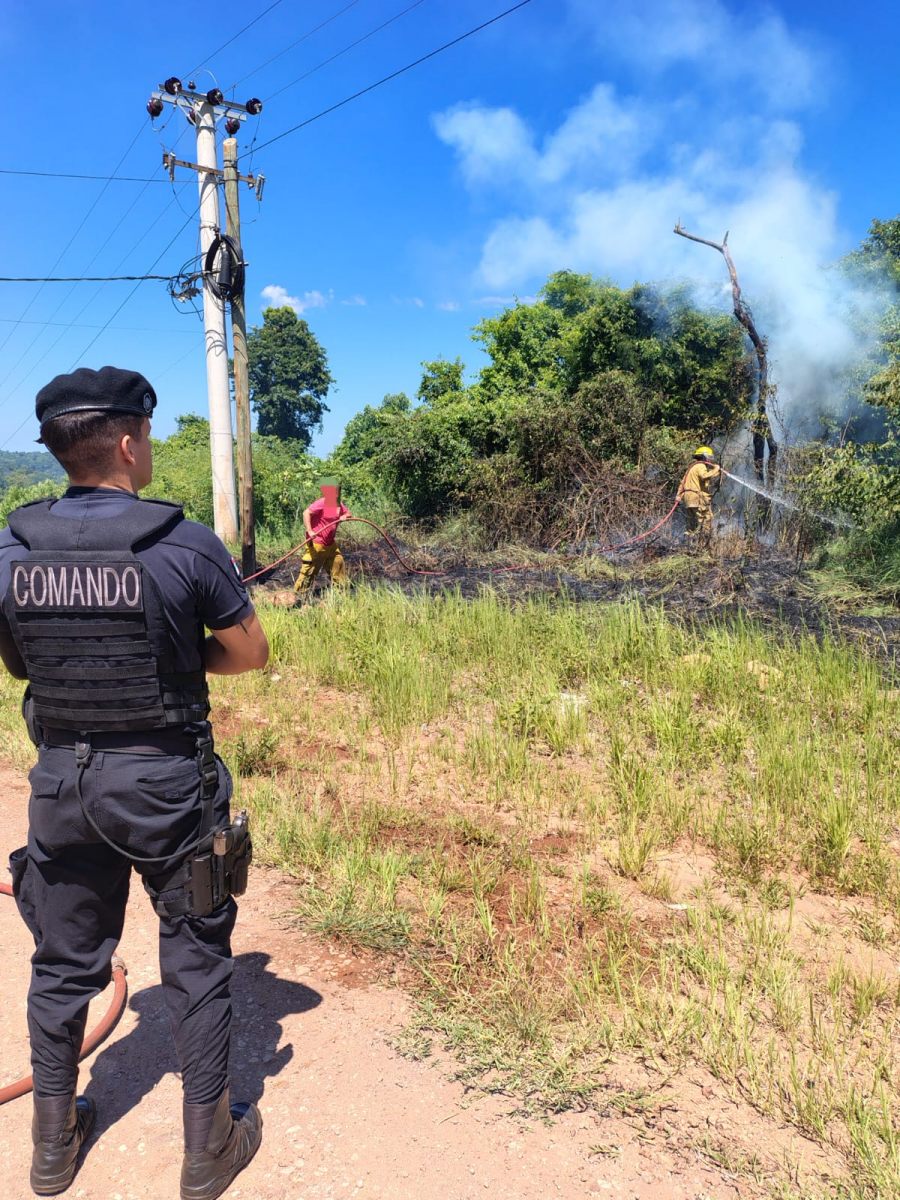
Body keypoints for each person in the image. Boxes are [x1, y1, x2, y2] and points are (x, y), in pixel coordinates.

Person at [0, 366, 269, 1199]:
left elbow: (19, 663)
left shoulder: (10, 548)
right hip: (164, 786)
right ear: (127, 442)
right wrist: (177, 660)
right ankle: (207, 1150)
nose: (147, 447)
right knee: (195, 957)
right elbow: (250, 652)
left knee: (62, 961)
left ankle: (52, 1150)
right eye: (147, 435)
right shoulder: (183, 543)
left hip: (62, 784)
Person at [293, 477, 351, 596]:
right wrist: (310, 530)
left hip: (330, 544)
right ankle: (299, 597)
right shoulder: (322, 502)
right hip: (317, 543)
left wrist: (345, 516)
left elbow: (347, 513)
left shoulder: (336, 504)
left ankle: (341, 594)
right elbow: (306, 513)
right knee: (310, 571)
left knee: (338, 563)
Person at [677, 445, 722, 552]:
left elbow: (682, 482)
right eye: (709, 457)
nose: (710, 460)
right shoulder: (701, 466)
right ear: (704, 456)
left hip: (688, 500)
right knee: (706, 521)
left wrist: (678, 496)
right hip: (697, 499)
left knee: (691, 525)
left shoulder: (691, 467)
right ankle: (704, 548)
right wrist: (716, 469)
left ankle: (688, 547)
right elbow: (704, 476)